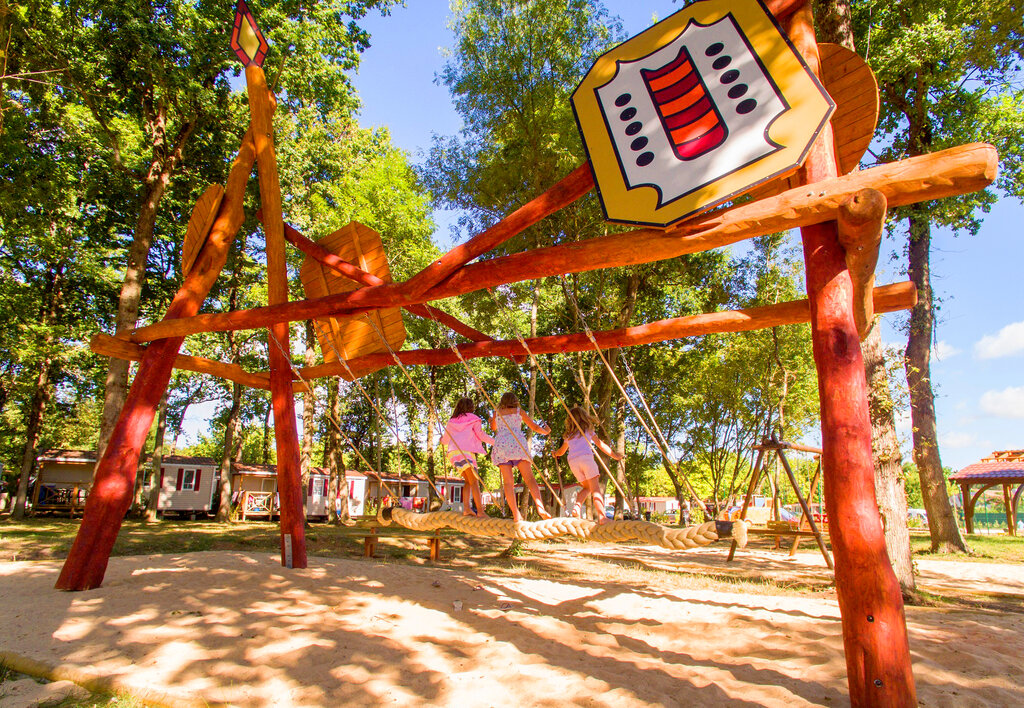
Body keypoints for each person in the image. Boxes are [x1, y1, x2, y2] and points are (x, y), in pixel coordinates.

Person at [552, 407, 622, 523]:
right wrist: (615, 455)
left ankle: (577, 507)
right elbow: (600, 445)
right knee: (595, 489)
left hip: (573, 462)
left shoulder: (569, 435)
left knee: (587, 487)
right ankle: (602, 517)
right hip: (586, 458)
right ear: (584, 418)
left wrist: (555, 454)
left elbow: (561, 452)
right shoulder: (588, 431)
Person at [490, 391, 551, 521]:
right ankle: (540, 507)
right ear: (515, 401)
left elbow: (493, 428)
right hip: (517, 444)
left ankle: (516, 514)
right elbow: (533, 426)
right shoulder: (519, 411)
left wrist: (492, 420)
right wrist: (545, 431)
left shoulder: (497, 413)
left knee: (508, 482)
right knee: (529, 479)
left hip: (502, 446)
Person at [439, 396, 491, 518]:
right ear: (471, 408)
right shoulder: (473, 419)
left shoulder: (452, 421)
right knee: (474, 481)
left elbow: (445, 440)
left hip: (453, 454)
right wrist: (495, 442)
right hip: (466, 453)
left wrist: (441, 439)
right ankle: (481, 512)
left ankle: (467, 508)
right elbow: (481, 435)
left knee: (468, 481)